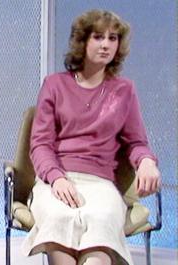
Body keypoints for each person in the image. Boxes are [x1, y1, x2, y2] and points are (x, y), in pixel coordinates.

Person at [21, 9, 161, 265]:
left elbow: (136, 143)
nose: (106, 44)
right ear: (83, 41)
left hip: (100, 183)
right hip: (57, 180)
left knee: (101, 222)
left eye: (113, 38)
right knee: (58, 219)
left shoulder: (124, 91)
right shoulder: (54, 85)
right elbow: (40, 144)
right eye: (98, 37)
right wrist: (56, 178)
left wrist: (146, 161)